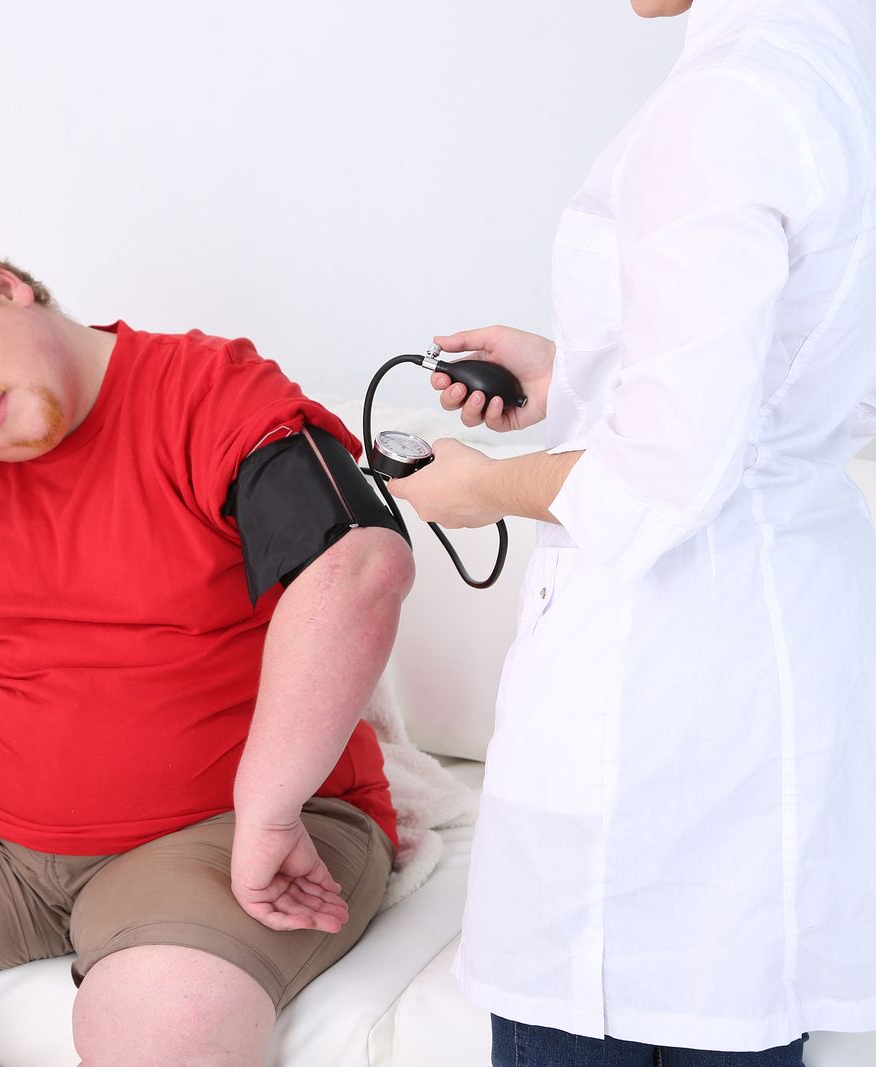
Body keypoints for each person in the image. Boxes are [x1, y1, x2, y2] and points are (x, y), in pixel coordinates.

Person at [0, 237, 416, 1066]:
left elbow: (356, 564)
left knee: (162, 1019)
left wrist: (270, 809)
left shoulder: (205, 388)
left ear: (7, 287)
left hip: (229, 823)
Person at [386, 1, 876, 1063]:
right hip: (768, 661)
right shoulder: (836, 66)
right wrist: (581, 375)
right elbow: (805, 381)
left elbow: (666, 471)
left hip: (664, 696)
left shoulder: (728, 98)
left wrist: (487, 489)